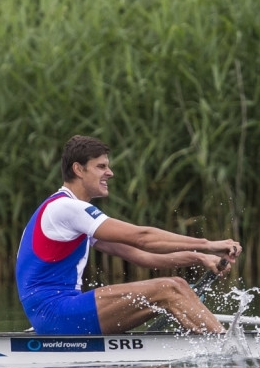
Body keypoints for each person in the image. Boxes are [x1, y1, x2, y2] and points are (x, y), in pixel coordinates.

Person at [16, 135, 241, 334]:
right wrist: (208, 244)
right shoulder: (66, 208)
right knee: (171, 288)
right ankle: (227, 347)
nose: (109, 173)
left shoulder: (67, 212)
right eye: (101, 166)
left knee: (174, 288)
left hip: (54, 313)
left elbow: (142, 257)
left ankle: (209, 344)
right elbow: (142, 237)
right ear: (78, 169)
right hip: (56, 312)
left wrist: (198, 257)